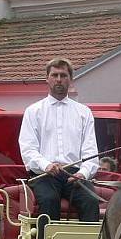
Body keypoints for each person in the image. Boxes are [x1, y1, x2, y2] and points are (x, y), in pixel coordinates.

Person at [18, 58, 100, 226]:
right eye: (54, 75)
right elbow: (28, 148)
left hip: (75, 175)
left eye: (63, 75)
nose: (59, 79)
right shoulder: (33, 111)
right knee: (48, 200)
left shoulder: (84, 113)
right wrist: (46, 165)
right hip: (44, 174)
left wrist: (83, 173)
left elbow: (91, 150)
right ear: (47, 79)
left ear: (70, 79)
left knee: (91, 201)